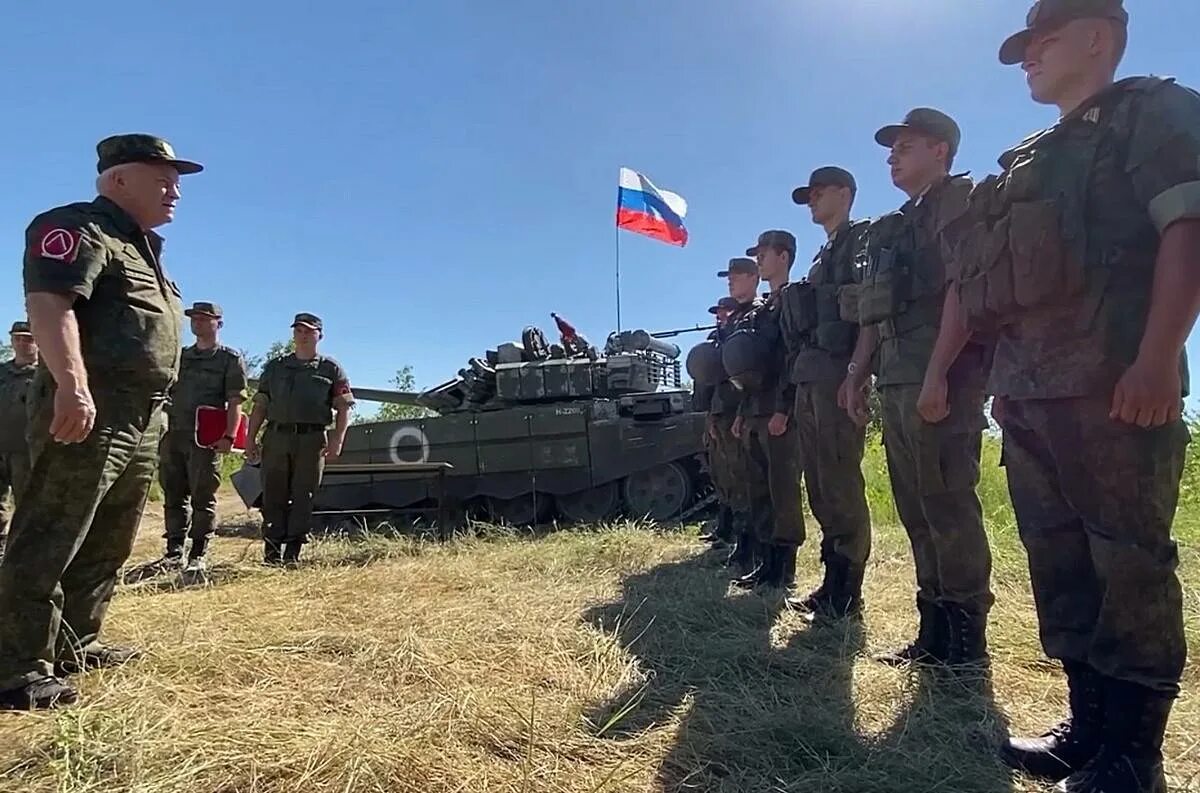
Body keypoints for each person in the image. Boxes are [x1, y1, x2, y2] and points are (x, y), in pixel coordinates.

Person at [959, 2, 1200, 789]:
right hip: (1030, 394)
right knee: (1058, 559)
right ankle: (1087, 724)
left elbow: (1187, 228)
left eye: (1043, 42)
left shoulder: (1152, 112)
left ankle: (1134, 750)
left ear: (1097, 38)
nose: (1028, 58)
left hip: (1115, 386)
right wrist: (1003, 384)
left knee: (1128, 560)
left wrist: (1159, 357)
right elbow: (1005, 286)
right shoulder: (1028, 155)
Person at [0, 133, 198, 710]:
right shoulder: (79, 228)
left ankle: (74, 643)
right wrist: (73, 386)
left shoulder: (141, 249)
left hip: (141, 419)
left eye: (176, 180)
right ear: (117, 180)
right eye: (161, 178)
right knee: (51, 531)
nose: (175, 190)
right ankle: (16, 667)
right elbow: (50, 306)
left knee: (108, 538)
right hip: (91, 409)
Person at [841, 109, 994, 668]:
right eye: (890, 149)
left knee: (948, 504)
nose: (892, 156)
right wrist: (859, 375)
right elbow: (875, 312)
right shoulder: (899, 223)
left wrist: (937, 374)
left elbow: (963, 287)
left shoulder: (959, 200)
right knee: (916, 509)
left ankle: (965, 641)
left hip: (942, 378)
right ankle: (933, 630)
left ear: (940, 150)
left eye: (905, 146)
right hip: (900, 378)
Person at [779, 168, 873, 619]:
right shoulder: (823, 256)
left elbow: (867, 315)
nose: (813, 200)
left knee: (839, 481)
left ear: (845, 193)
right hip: (812, 378)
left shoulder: (861, 242)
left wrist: (856, 374)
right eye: (809, 195)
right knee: (819, 483)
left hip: (838, 377)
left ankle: (848, 590)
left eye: (819, 193)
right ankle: (832, 582)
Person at [245, 313, 354, 567]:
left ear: (319, 335)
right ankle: (271, 554)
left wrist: (338, 439)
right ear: (293, 334)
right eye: (299, 331)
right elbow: (260, 405)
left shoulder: (330, 369)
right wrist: (250, 439)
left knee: (303, 495)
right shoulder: (275, 367)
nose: (303, 335)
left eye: (309, 331)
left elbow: (344, 407)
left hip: (311, 439)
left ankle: (292, 554)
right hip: (276, 437)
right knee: (273, 495)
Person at [729, 231, 804, 590]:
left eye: (764, 253)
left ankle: (784, 569)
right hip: (756, 411)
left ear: (784, 257)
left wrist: (784, 408)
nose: (758, 260)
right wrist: (743, 412)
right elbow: (751, 371)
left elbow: (794, 358)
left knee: (783, 491)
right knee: (759, 490)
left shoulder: (793, 299)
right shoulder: (762, 310)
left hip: (777, 412)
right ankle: (766, 563)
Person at [155, 302, 248, 576]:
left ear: (218, 323)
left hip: (204, 439)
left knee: (202, 496)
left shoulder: (228, 360)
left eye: (204, 319)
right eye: (194, 318)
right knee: (173, 494)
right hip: (174, 434)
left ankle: (198, 551)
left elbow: (235, 401)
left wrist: (229, 436)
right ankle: (173, 551)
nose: (197, 322)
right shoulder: (181, 357)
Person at [715, 259, 771, 573]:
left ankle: (772, 564)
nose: (730, 282)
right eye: (729, 278)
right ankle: (748, 551)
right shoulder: (739, 319)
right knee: (746, 487)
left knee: (764, 490)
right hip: (746, 412)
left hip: (763, 411)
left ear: (753, 278)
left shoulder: (761, 313)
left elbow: (767, 367)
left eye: (735, 277)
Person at [697, 295, 743, 549]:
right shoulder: (715, 342)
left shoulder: (737, 342)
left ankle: (738, 534)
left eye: (724, 311)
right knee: (721, 476)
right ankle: (724, 529)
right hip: (716, 413)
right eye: (718, 312)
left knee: (736, 476)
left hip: (733, 412)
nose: (719, 315)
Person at [0, 322, 39, 557]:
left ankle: (24, 554)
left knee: (27, 505)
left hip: (27, 451)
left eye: (28, 339)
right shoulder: (2, 372)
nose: (22, 343)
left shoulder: (47, 375)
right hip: (0, 447)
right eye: (17, 338)